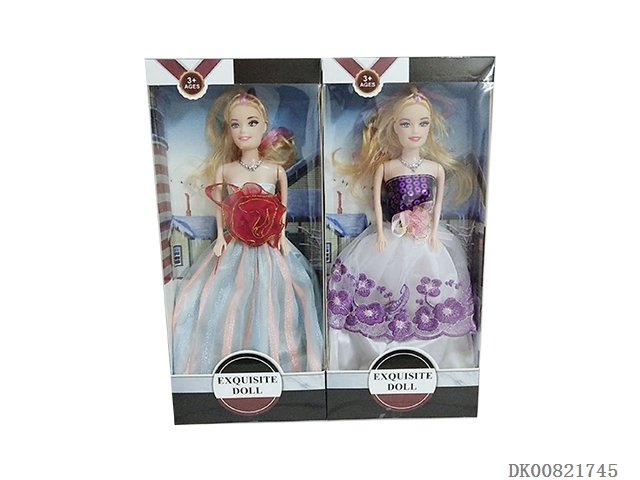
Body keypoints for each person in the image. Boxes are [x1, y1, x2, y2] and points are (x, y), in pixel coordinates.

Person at [172, 91, 323, 374]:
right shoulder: (225, 170)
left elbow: (282, 208)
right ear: (228, 130)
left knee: (277, 300)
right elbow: (220, 206)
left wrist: (281, 236)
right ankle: (230, 360)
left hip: (270, 246)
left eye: (252, 122)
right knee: (228, 301)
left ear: (264, 126)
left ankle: (282, 363)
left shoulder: (276, 171)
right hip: (235, 245)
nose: (244, 130)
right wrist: (220, 237)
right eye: (235, 124)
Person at [327, 87, 477, 370]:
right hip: (393, 234)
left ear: (431, 127)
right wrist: (381, 234)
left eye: (423, 123)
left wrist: (433, 232)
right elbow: (377, 204)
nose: (414, 130)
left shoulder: (435, 168)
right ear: (394, 128)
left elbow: (437, 206)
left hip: (426, 239)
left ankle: (435, 357)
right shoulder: (387, 167)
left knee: (431, 292)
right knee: (386, 289)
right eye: (406, 123)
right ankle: (380, 353)